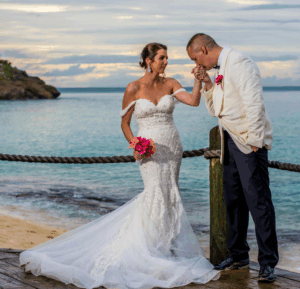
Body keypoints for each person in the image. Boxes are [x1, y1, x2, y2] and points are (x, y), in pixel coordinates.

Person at [19, 42, 220, 289]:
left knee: (169, 194)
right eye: (161, 58)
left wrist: (199, 80)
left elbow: (193, 101)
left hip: (172, 147)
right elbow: (125, 123)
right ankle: (149, 249)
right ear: (149, 60)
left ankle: (164, 247)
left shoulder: (171, 83)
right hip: (149, 150)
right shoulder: (133, 88)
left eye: (167, 58)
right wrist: (136, 143)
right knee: (155, 193)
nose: (166, 62)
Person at [186, 33, 279, 283]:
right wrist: (207, 82)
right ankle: (238, 254)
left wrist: (256, 142)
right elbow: (217, 108)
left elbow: (254, 104)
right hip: (229, 141)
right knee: (233, 201)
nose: (197, 64)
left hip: (249, 142)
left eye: (196, 59)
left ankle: (268, 262)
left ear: (203, 50)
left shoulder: (240, 62)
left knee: (258, 203)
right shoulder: (220, 68)